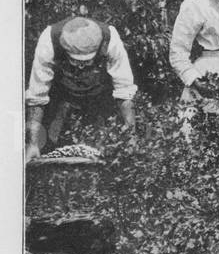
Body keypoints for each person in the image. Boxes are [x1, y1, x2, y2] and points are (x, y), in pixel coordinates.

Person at [25, 15, 137, 160]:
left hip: (101, 98)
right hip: (61, 98)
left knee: (107, 153)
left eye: (87, 61)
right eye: (75, 61)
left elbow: (125, 91)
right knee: (51, 147)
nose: (81, 66)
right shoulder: (49, 40)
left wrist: (131, 136)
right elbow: (36, 96)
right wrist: (32, 143)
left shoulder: (110, 39)